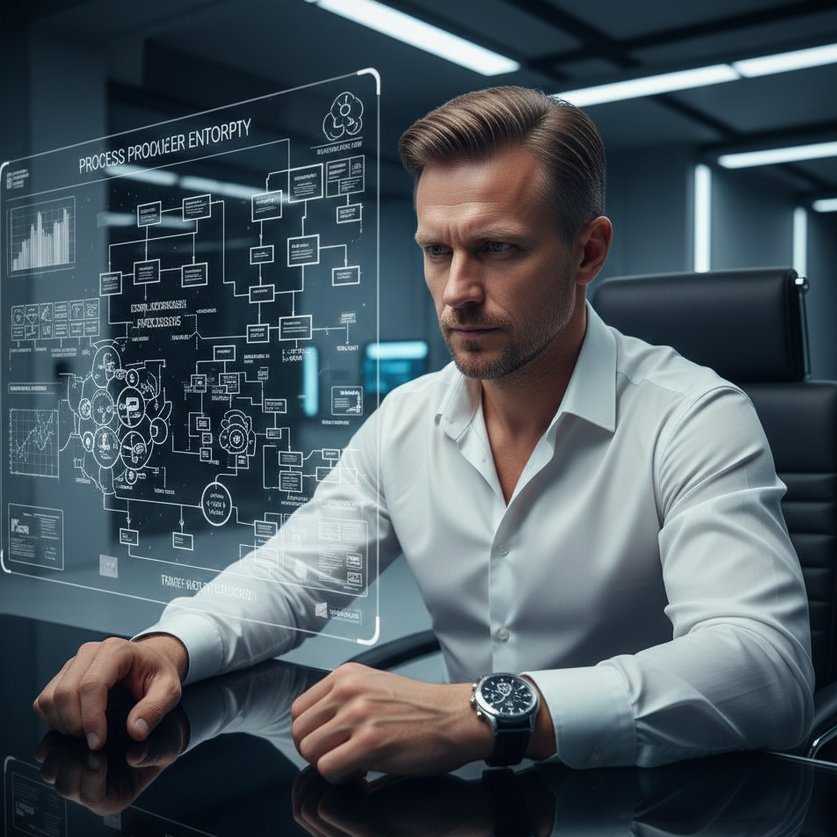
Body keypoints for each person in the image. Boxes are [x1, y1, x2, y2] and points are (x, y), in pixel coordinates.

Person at [34, 86, 814, 783]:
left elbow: (764, 669)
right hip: (467, 802)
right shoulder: (406, 420)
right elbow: (290, 578)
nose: (457, 291)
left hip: (663, 800)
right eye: (436, 252)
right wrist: (168, 646)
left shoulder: (693, 415)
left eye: (497, 248)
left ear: (587, 252)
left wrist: (487, 712)